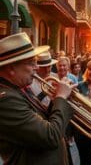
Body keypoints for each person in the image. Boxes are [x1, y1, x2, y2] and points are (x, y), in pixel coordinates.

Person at [0, 32, 75, 165]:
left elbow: (44, 120)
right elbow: (50, 136)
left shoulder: (19, 88)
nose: (36, 68)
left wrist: (55, 101)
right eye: (31, 63)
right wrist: (61, 98)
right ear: (11, 68)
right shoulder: (5, 100)